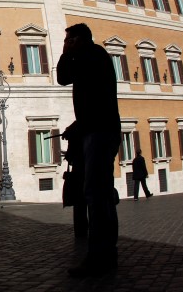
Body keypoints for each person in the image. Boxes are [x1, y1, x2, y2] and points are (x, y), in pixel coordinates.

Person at [58, 23, 121, 278]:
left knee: (95, 193)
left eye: (69, 40)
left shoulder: (91, 56)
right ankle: (107, 252)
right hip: (99, 128)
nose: (67, 44)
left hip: (99, 131)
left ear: (80, 39)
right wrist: (77, 125)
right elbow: (91, 98)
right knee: (102, 192)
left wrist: (65, 53)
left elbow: (63, 77)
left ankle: (98, 257)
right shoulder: (92, 57)